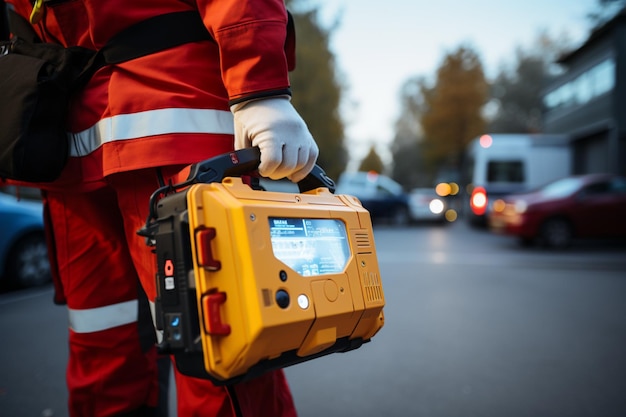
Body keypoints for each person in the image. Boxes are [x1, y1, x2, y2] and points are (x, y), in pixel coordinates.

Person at [4, 0, 318, 416]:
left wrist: (260, 89)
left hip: (171, 124)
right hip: (66, 145)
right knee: (103, 341)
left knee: (217, 346)